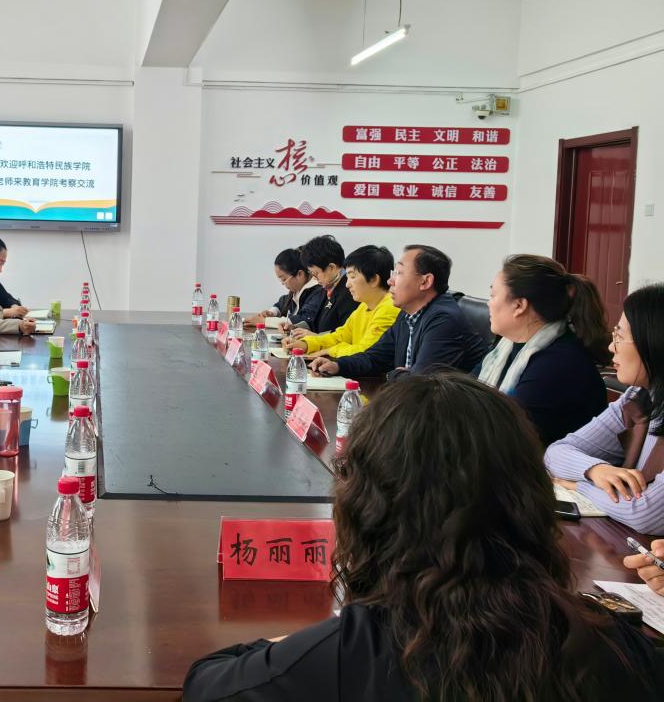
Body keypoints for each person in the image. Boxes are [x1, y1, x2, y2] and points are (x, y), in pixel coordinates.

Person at [183, 373, 664, 701]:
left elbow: (208, 683)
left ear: (365, 506)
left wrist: (304, 640)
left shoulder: (351, 652)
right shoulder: (612, 644)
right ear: (532, 498)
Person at [545, 284, 664, 534]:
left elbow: (645, 513)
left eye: (619, 336)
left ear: (654, 341)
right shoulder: (637, 398)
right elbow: (556, 452)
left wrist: (578, 485)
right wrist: (595, 470)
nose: (611, 347)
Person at [477, 255, 609, 444]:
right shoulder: (506, 348)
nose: (489, 303)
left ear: (519, 305)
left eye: (493, 295)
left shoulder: (558, 363)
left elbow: (510, 438)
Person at [312, 245, 488, 381]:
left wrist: (392, 374)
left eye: (399, 273)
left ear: (425, 282)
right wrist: (338, 366)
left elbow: (419, 384)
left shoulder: (443, 319)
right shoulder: (407, 314)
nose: (390, 280)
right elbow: (375, 358)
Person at [284, 245, 399, 361]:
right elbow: (340, 336)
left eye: (352, 277)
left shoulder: (389, 308)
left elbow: (366, 352)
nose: (347, 285)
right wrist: (306, 344)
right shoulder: (364, 306)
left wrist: (330, 351)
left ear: (374, 279)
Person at [244, 249, 323, 329]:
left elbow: (302, 320)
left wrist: (264, 321)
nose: (282, 283)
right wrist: (272, 312)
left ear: (300, 274)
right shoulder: (297, 291)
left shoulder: (318, 292)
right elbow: (282, 304)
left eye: (284, 279)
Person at [296, 235, 355, 334]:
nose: (314, 278)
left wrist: (316, 337)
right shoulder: (327, 287)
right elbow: (318, 323)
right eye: (312, 274)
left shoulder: (350, 292)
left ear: (331, 267)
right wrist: (295, 327)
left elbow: (347, 334)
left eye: (316, 273)